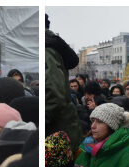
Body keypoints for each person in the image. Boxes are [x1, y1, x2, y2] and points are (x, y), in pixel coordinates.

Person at [45, 14, 82, 152]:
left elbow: (54, 93)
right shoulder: (50, 45)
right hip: (63, 132)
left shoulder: (46, 49)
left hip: (56, 137)